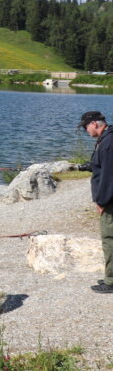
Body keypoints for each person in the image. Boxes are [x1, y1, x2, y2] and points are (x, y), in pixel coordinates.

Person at [80, 111, 113, 293]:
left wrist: (101, 201)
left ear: (94, 124)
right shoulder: (107, 138)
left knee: (109, 239)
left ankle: (111, 282)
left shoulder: (108, 142)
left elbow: (109, 177)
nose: (86, 131)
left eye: (85, 127)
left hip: (110, 201)